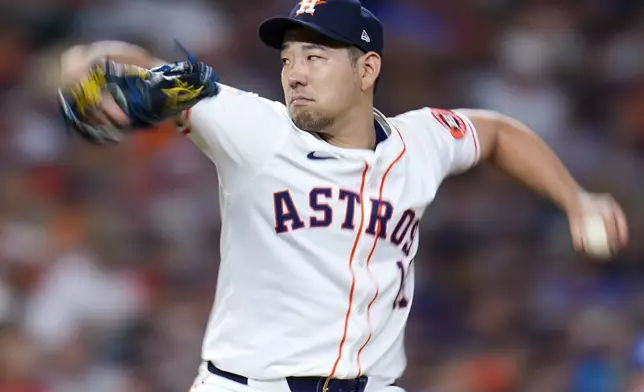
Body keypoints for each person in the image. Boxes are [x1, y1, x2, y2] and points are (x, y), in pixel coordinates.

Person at [57, 1, 629, 392]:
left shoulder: (420, 141)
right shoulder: (253, 128)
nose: (295, 73)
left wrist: (575, 198)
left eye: (315, 56)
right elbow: (117, 64)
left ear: (367, 68)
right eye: (287, 59)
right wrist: (83, 68)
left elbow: (498, 133)